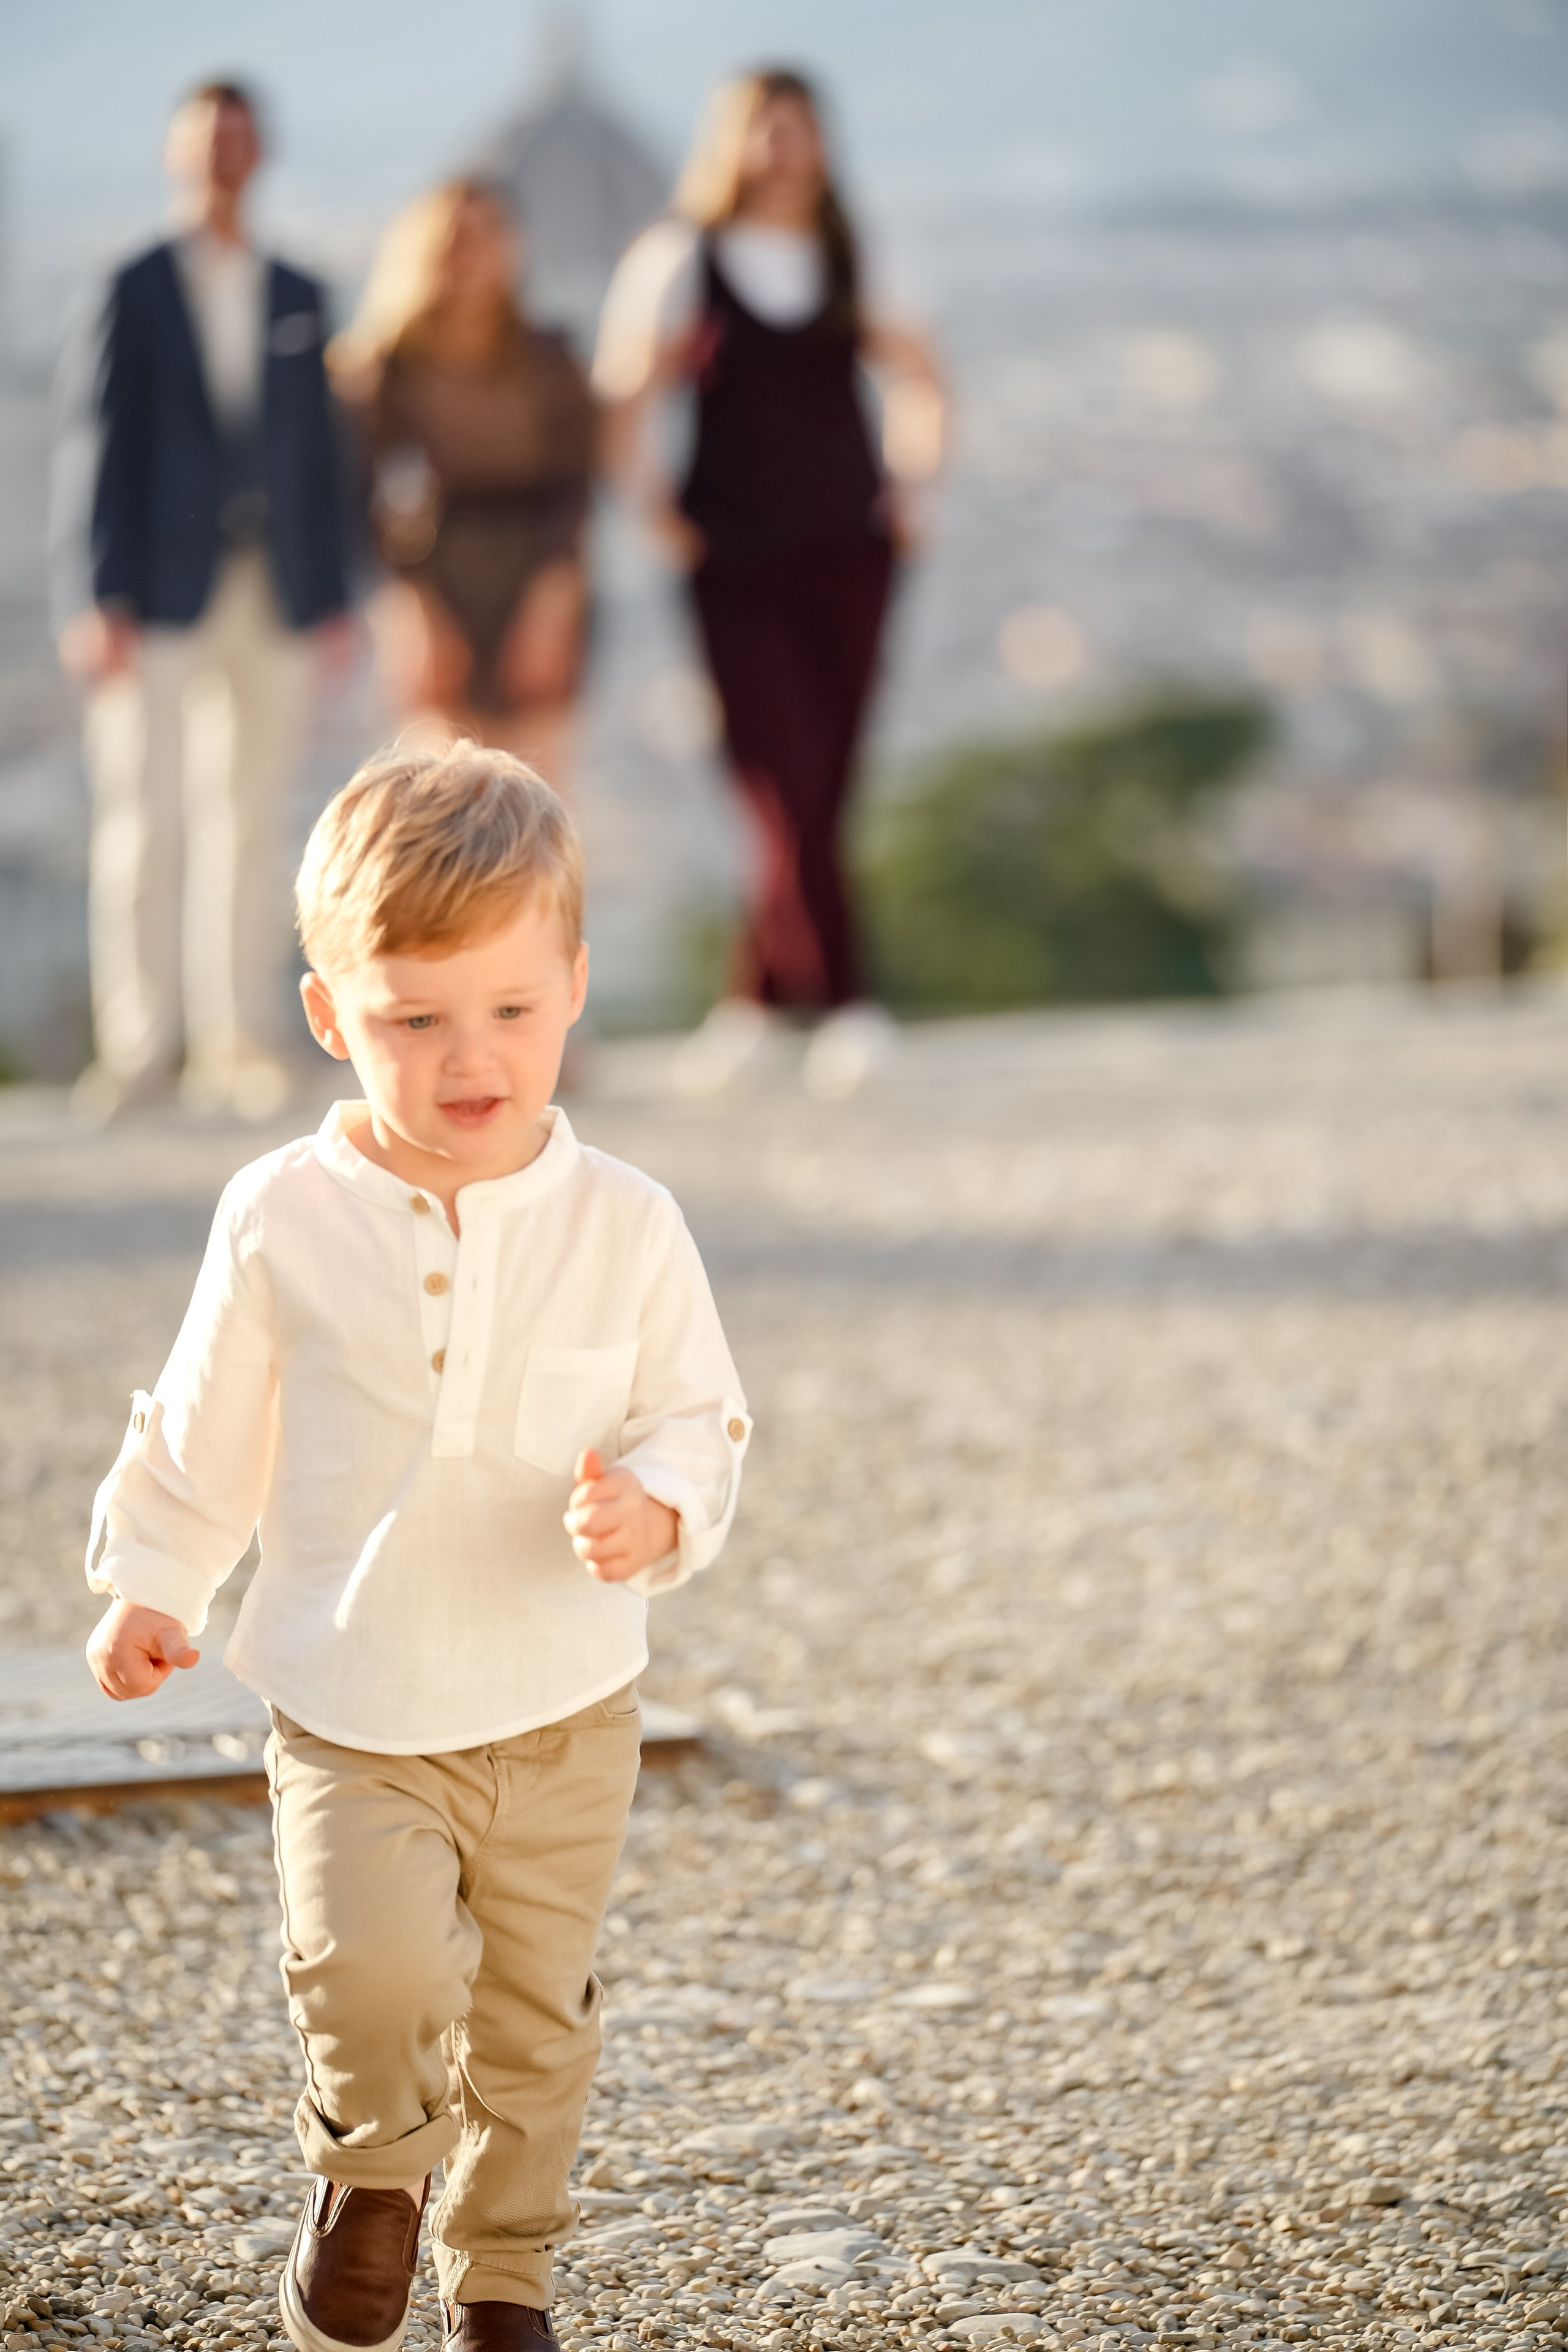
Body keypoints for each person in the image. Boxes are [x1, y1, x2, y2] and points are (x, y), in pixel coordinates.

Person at [81, 741, 751, 2352]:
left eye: (511, 1012)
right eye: (414, 1019)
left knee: (536, 2024)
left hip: (565, 1704)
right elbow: (208, 1413)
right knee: (366, 1976)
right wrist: (155, 1580)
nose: (472, 1059)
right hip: (354, 1698)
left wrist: (657, 1504)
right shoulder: (280, 1214)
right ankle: (373, 2175)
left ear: (575, 988)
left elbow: (700, 1412)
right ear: (331, 1016)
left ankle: (505, 2272)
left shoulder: (629, 1223)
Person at [594, 66, 944, 1099]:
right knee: (776, 773)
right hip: (736, 560)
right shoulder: (678, 262)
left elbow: (924, 375)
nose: (780, 151)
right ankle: (848, 1000)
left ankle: (753, 1004)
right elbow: (626, 399)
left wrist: (914, 491)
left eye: (797, 130)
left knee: (822, 776)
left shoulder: (856, 255)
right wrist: (659, 514)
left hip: (849, 548)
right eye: (761, 130)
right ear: (728, 144)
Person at [50, 79, 353, 1123]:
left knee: (254, 822)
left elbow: (322, 451)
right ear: (178, 152)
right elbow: (95, 446)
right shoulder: (132, 285)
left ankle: (242, 1038)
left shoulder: (298, 289)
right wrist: (96, 594)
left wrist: (336, 593)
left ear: (260, 151)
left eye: (239, 137)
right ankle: (140, 1049)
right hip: (157, 591)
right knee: (145, 823)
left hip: (273, 589)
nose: (224, 155)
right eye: (207, 137)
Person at [330, 180, 597, 785]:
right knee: (447, 799)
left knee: (536, 796)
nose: (469, 256)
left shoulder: (551, 360)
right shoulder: (383, 371)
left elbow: (573, 487)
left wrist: (555, 598)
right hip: (436, 579)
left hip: (538, 575)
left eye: (486, 237)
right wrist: (413, 607)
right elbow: (378, 501)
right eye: (453, 240)